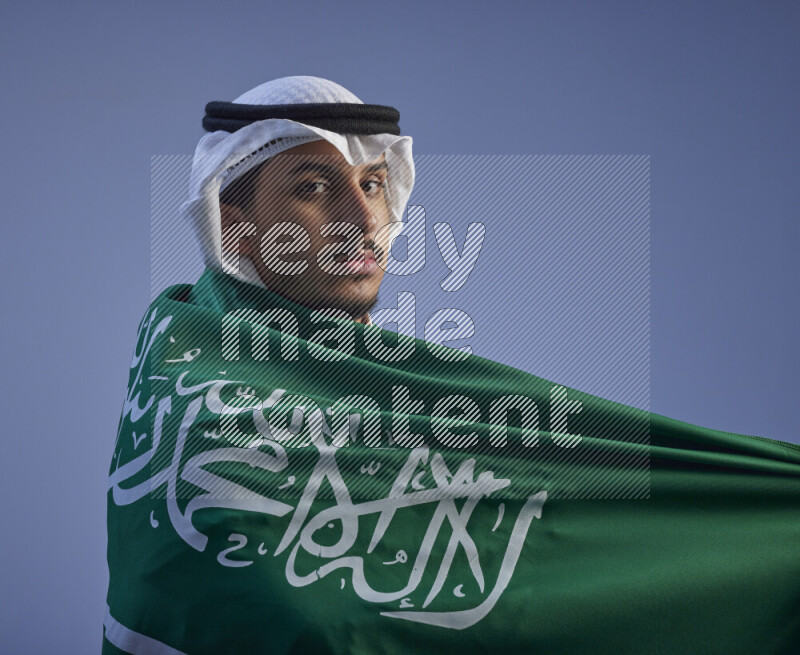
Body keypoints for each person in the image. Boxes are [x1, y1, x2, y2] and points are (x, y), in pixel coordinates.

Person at [104, 76, 800, 655]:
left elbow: (552, 550)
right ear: (236, 224)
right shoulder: (195, 383)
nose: (363, 218)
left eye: (373, 184)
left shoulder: (416, 401)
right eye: (315, 188)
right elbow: (269, 605)